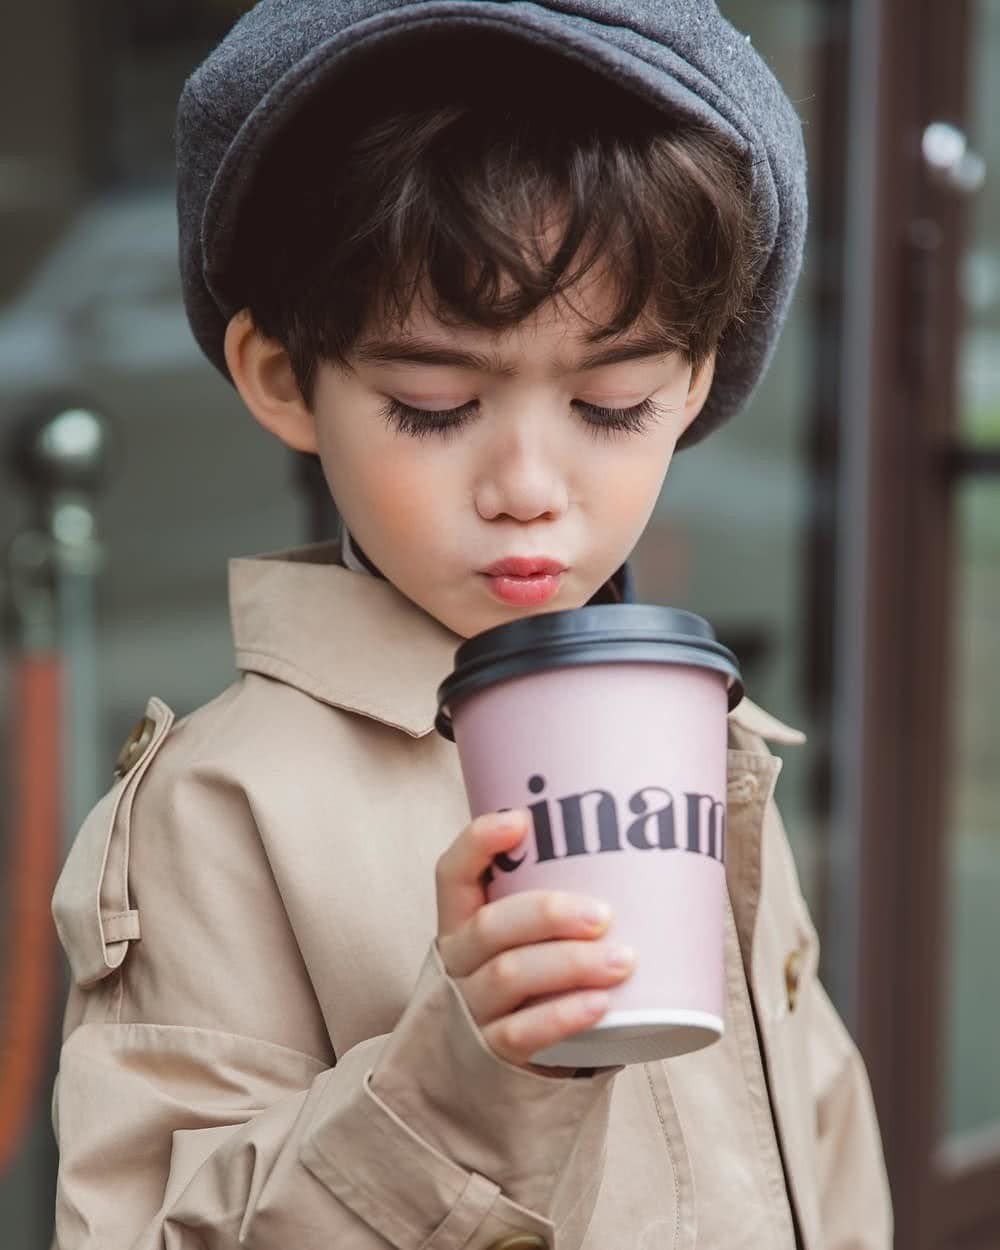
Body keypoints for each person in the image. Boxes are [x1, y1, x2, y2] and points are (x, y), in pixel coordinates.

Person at [49, 3, 893, 1247]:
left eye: (611, 403)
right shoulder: (224, 809)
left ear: (696, 382)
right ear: (285, 377)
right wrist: (464, 1080)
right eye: (435, 403)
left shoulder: (703, 746)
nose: (527, 483)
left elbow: (819, 1149)